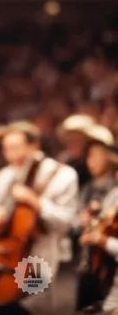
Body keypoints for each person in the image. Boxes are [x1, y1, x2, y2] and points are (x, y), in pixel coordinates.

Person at [0, 121, 79, 314]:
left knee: (31, 305)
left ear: (34, 146)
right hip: (7, 250)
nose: (12, 155)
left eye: (17, 148)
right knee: (2, 302)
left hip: (38, 253)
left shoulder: (63, 175)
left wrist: (37, 203)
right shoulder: (5, 174)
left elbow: (67, 221)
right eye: (6, 149)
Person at [74, 125, 118, 311]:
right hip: (96, 267)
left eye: (95, 155)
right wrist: (90, 223)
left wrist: (102, 240)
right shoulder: (93, 189)